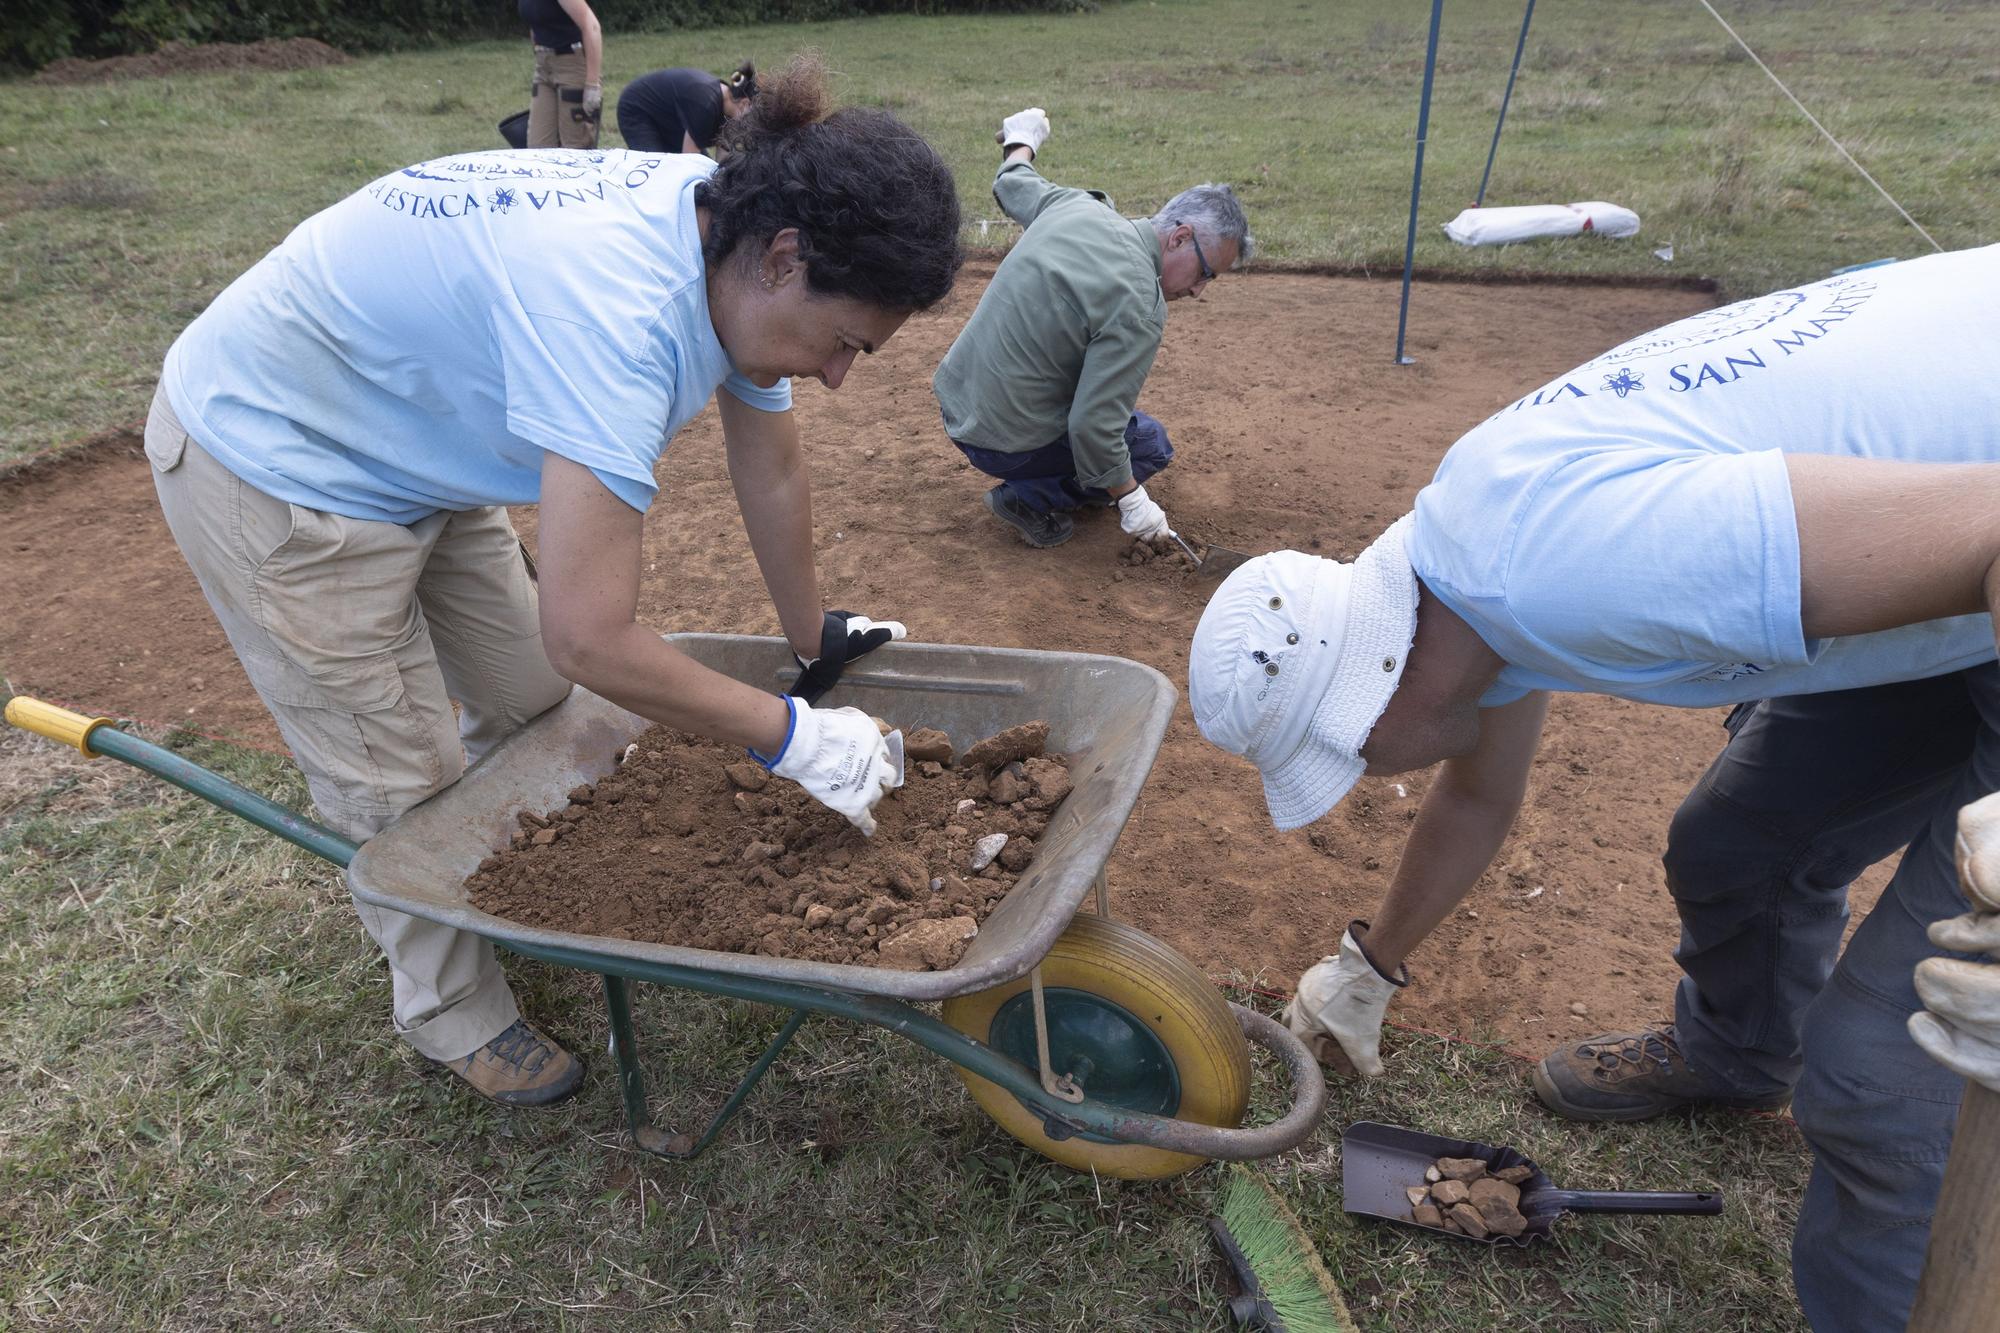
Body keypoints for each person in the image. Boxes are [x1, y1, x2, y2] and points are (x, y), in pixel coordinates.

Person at [1186, 245, 2000, 1331]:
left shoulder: (1572, 568)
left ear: (1369, 699)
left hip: (1974, 542)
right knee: (1734, 845)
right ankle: (1734, 1054)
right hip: (1933, 577)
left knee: (1877, 1076)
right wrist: (1365, 965)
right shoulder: (1460, 583)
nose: (1366, 774)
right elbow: (1477, 796)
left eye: (1342, 757)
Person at [145, 57, 962, 1111]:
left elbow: (771, 461)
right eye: (847, 342)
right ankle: (452, 1011)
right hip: (276, 459)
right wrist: (794, 738)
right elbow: (592, 635)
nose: (842, 374)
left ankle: (495, 885)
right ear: (786, 258)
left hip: (408, 435)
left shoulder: (724, 225)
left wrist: (814, 643)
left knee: (529, 697)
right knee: (395, 774)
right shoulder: (616, 319)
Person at [932, 107, 1252, 550]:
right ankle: (1028, 498)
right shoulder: (1140, 303)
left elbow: (1012, 181)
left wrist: (1022, 137)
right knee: (1148, 444)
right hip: (1001, 441)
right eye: (1206, 273)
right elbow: (1094, 429)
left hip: (955, 403)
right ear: (1179, 238)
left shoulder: (1077, 206)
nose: (1199, 290)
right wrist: (1132, 499)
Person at [617, 62, 757, 155]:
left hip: (669, 119)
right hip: (637, 109)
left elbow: (723, 155)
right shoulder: (706, 106)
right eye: (752, 115)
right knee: (657, 169)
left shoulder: (727, 107)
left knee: (704, 167)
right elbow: (688, 162)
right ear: (744, 103)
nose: (749, 123)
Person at [522, 0, 603, 149]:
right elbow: (535, 24)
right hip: (543, 66)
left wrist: (592, 84)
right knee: (537, 148)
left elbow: (591, 26)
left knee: (575, 148)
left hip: (572, 64)